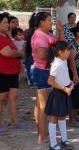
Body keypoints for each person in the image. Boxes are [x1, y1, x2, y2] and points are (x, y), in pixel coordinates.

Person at [27, 12, 66, 143]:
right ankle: (43, 136)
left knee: (39, 105)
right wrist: (56, 51)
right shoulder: (40, 35)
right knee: (44, 106)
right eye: (49, 20)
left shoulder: (47, 34)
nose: (51, 22)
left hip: (46, 71)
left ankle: (41, 133)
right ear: (42, 22)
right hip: (42, 71)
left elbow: (61, 45)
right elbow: (42, 54)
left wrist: (61, 31)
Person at [45, 41, 74, 150]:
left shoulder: (63, 61)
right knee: (54, 118)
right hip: (58, 93)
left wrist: (69, 82)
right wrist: (63, 88)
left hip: (65, 91)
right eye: (67, 50)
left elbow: (63, 77)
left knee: (62, 116)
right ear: (60, 52)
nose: (69, 52)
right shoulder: (56, 65)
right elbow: (50, 81)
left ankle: (64, 140)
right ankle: (53, 144)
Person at [0, 13, 25, 134]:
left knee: (13, 98)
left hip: (13, 72)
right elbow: (8, 53)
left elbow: (12, 51)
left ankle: (15, 122)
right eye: (4, 22)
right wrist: (19, 53)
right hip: (2, 72)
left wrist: (17, 55)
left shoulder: (6, 36)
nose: (7, 24)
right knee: (1, 99)